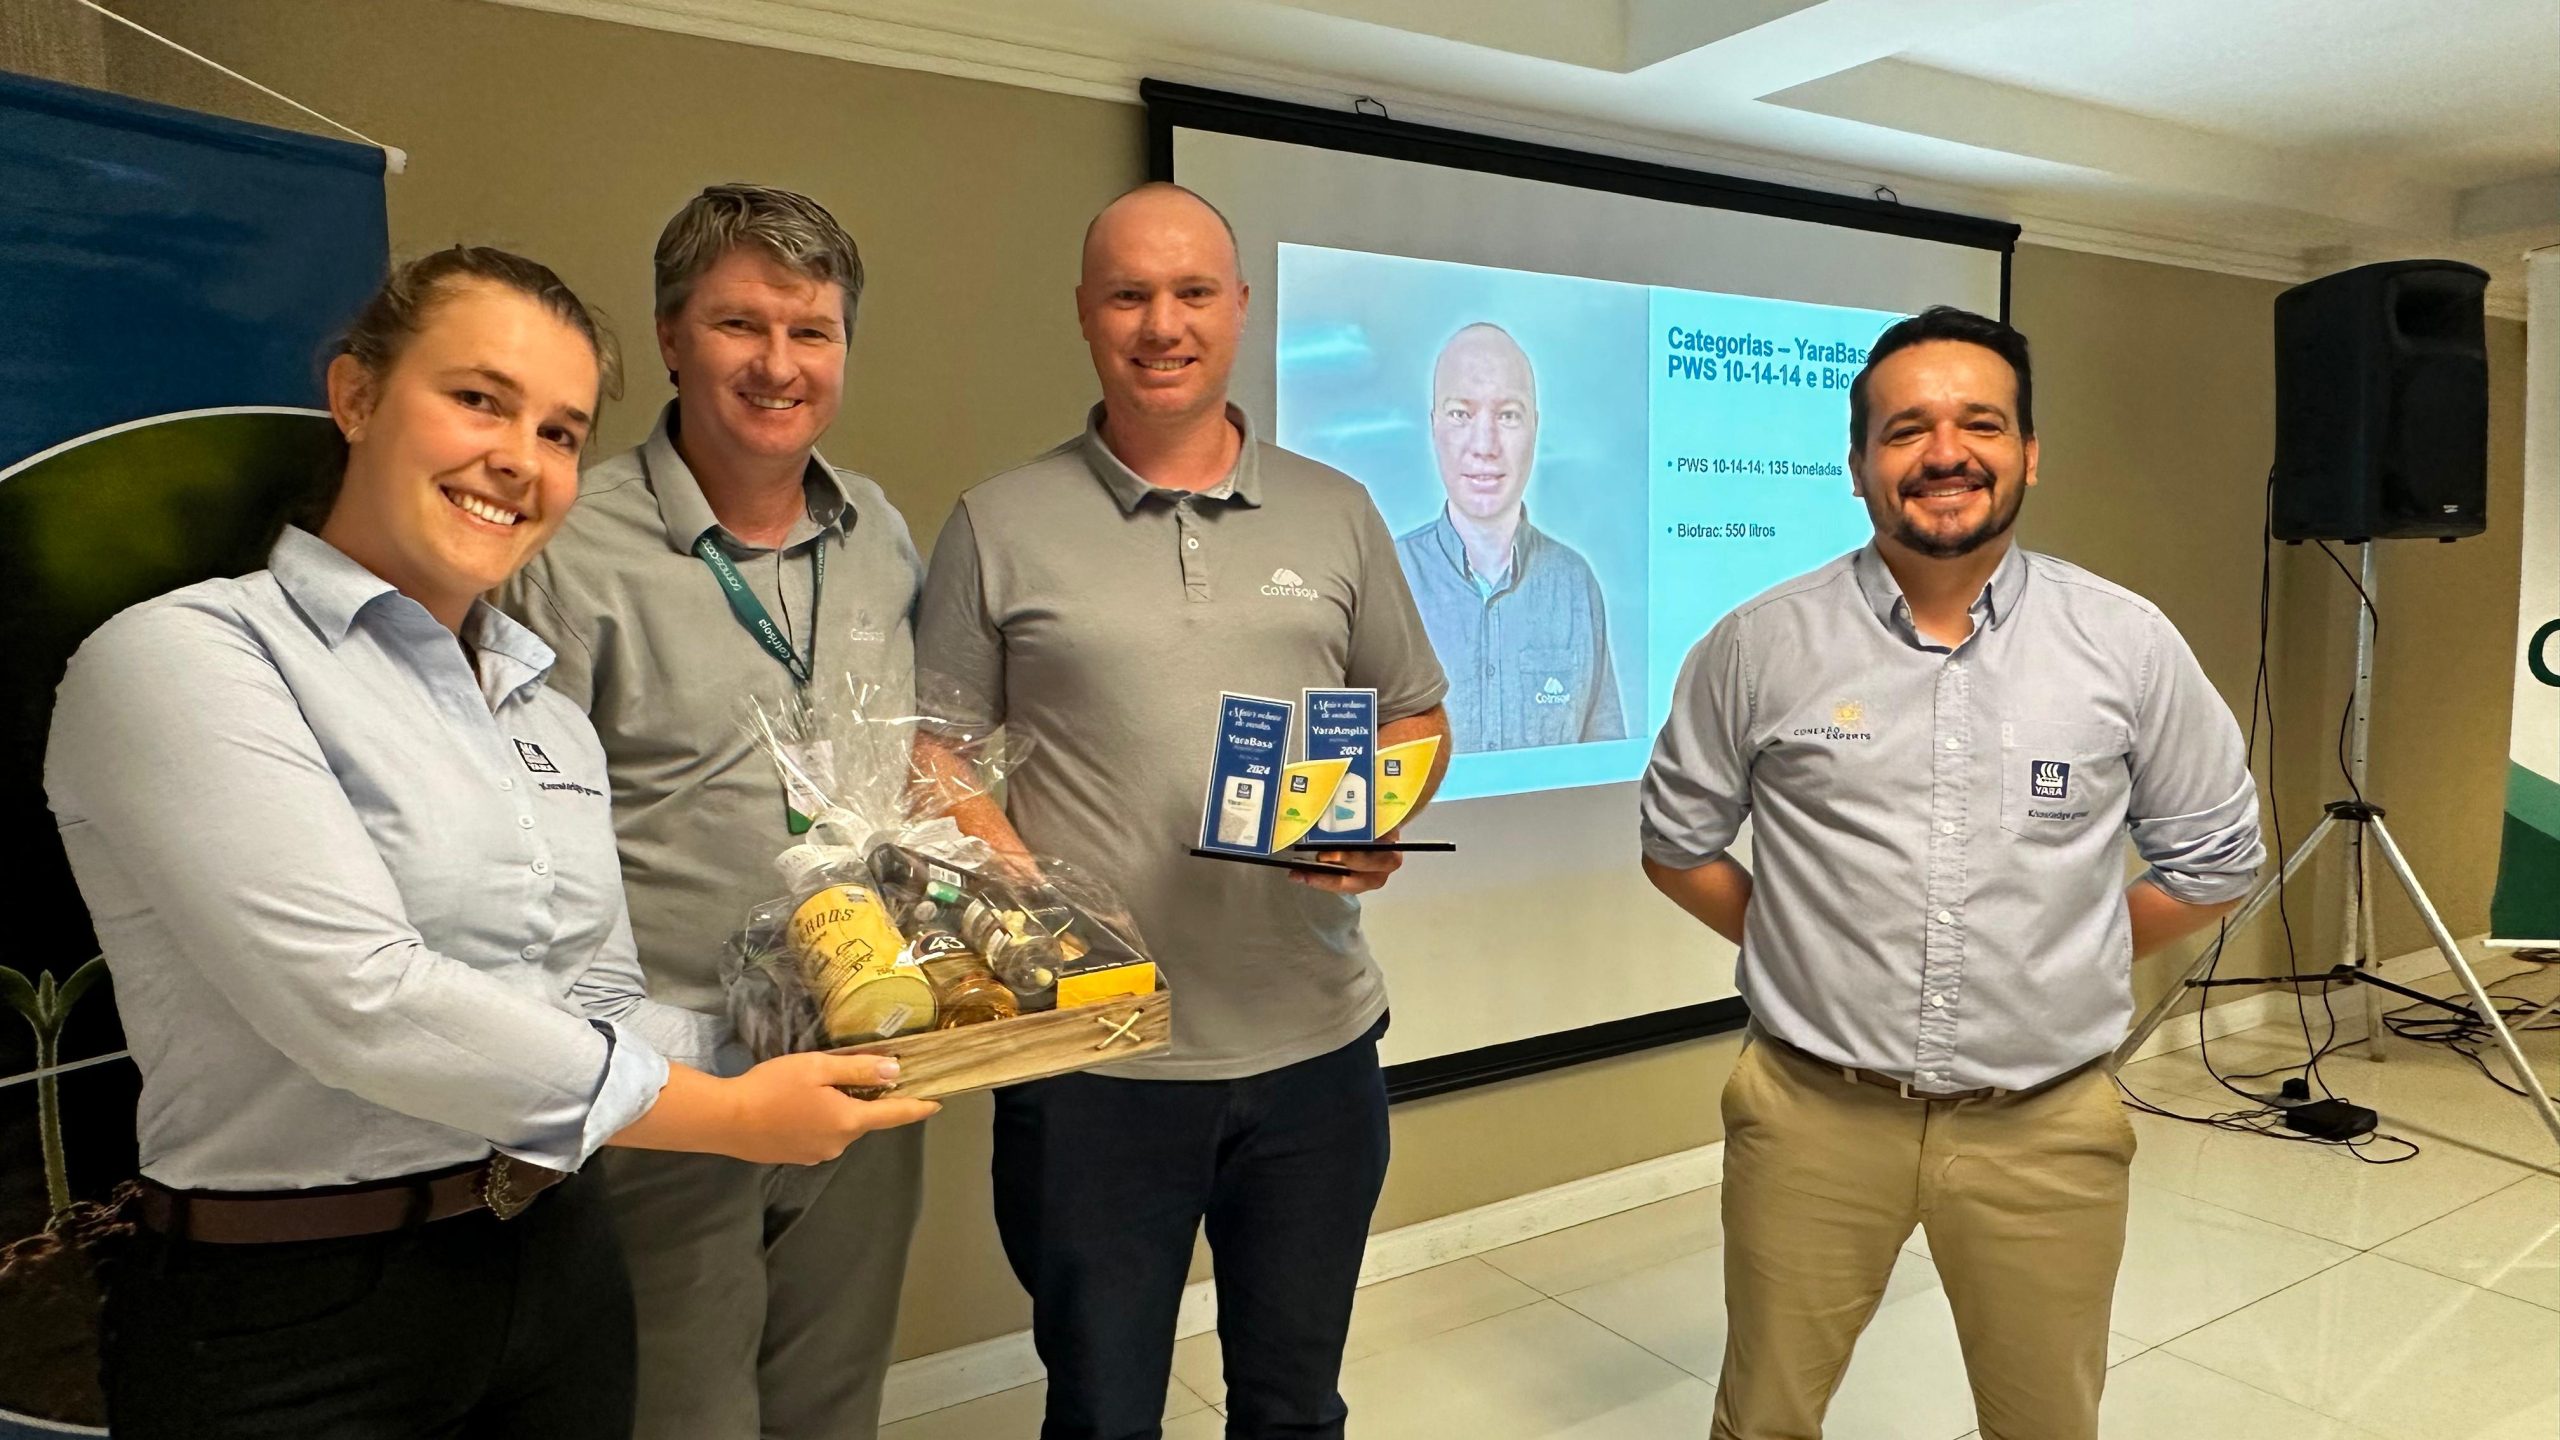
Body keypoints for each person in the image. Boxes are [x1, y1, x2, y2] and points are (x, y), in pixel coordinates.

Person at [44, 245, 936, 1440]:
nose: (520, 458)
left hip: (552, 1262)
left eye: (560, 432)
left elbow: (597, 1003)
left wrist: (834, 1042)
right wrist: (730, 1115)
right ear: (356, 396)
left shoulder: (541, 715)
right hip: (294, 1309)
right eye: (478, 399)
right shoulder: (189, 659)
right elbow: (359, 999)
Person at [1636, 305, 2263, 1440]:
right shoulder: (1759, 645)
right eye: (1905, 429)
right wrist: (1808, 941)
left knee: (2046, 1425)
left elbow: (2217, 863)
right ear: (1857, 465)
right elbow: (1677, 846)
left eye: (1980, 423)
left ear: (2029, 452)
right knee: (1763, 1420)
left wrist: (2059, 950)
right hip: (1812, 1118)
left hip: (2046, 1128)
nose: (1944, 454)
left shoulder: (2126, 643)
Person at [913, 182, 1452, 1440]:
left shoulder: (1337, 509)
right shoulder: (999, 521)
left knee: (1293, 1407)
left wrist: (1372, 817)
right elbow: (933, 752)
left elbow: (1413, 712)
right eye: (1129, 295)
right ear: (1085, 314)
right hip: (1094, 1062)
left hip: (1314, 1049)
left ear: (1241, 307)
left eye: (1192, 292)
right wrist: (1034, 900)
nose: (1162, 324)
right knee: (1102, 1415)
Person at [496, 185, 927, 1440]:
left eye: (813, 331)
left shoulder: (877, 532)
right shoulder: (570, 548)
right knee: (681, 1415)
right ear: (671, 337)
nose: (779, 365)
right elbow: (512, 839)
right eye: (741, 325)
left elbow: (908, 763)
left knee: (831, 1403)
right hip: (668, 1082)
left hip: (863, 1044)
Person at [1394, 321, 1623, 752]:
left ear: (1535, 428)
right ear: (1434, 426)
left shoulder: (1575, 584)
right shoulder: (1386, 579)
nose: (1485, 445)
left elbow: (1605, 764)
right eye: (1461, 414)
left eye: (1508, 416)